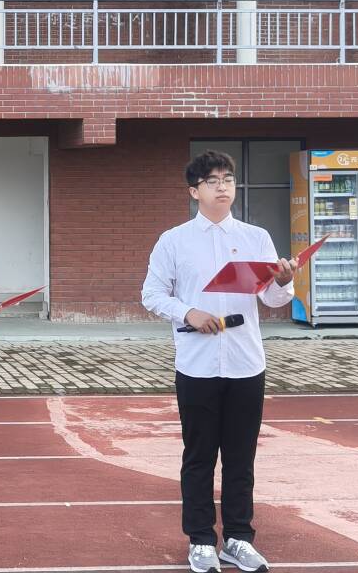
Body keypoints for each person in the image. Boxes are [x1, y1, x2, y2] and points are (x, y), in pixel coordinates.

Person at [141, 150, 297, 573]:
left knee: (241, 457)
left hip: (246, 362)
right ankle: (201, 540)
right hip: (197, 364)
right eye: (212, 181)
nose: (223, 187)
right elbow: (152, 293)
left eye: (228, 179)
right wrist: (188, 312)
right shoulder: (174, 240)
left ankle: (239, 539)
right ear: (194, 191)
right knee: (199, 456)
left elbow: (272, 299)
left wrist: (284, 282)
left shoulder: (256, 237)